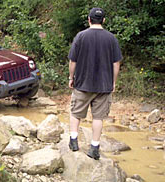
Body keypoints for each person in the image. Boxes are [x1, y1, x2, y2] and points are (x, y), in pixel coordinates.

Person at [67, 7, 122, 160]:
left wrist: (71, 77)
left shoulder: (80, 36)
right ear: (103, 20)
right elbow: (116, 63)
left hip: (82, 83)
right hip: (103, 85)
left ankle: (73, 141)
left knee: (76, 113)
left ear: (89, 20)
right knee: (98, 117)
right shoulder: (111, 38)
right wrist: (113, 82)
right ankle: (94, 148)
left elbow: (73, 61)